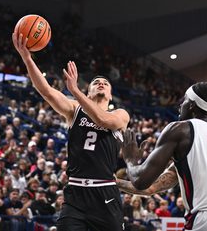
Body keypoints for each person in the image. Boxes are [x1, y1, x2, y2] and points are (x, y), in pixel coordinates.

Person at [12, 32, 130, 231]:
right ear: (89, 92)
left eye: (105, 83)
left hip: (105, 193)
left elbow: (103, 120)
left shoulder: (120, 114)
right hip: (75, 194)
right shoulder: (75, 109)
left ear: (110, 95)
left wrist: (75, 90)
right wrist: (27, 58)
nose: (101, 83)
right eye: (96, 83)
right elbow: (47, 91)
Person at [119, 82, 207, 231]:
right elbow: (152, 188)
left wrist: (130, 159)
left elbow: (141, 181)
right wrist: (114, 182)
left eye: (184, 100)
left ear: (192, 105)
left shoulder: (181, 129)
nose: (180, 106)